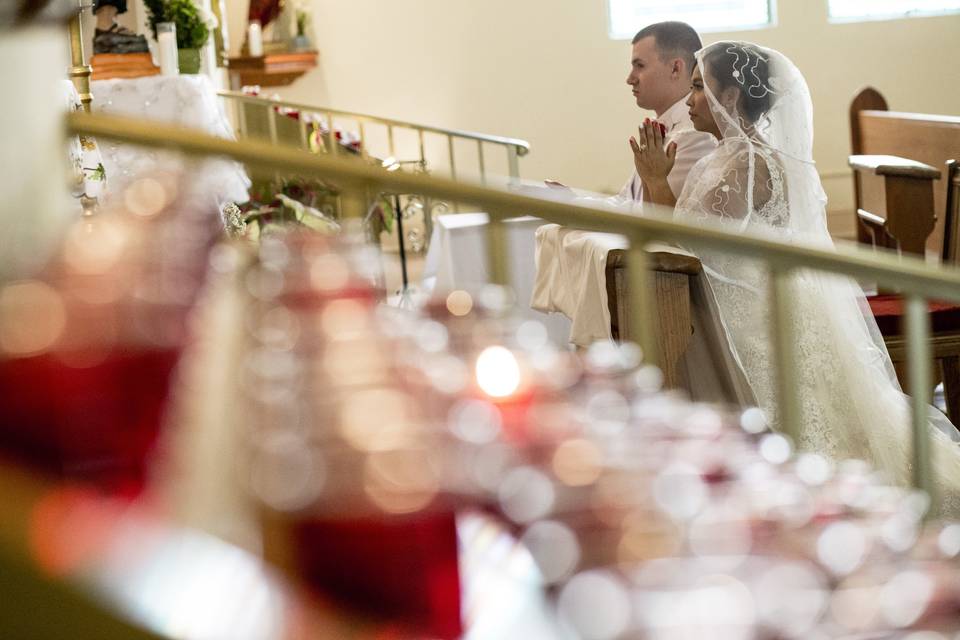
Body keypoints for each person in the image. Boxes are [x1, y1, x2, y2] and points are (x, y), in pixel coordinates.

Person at [637, 40, 960, 513]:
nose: (690, 101)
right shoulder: (725, 159)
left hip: (755, 313)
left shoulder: (745, 164)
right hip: (755, 298)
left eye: (700, 88)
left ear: (730, 98)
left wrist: (656, 180)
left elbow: (689, 247)